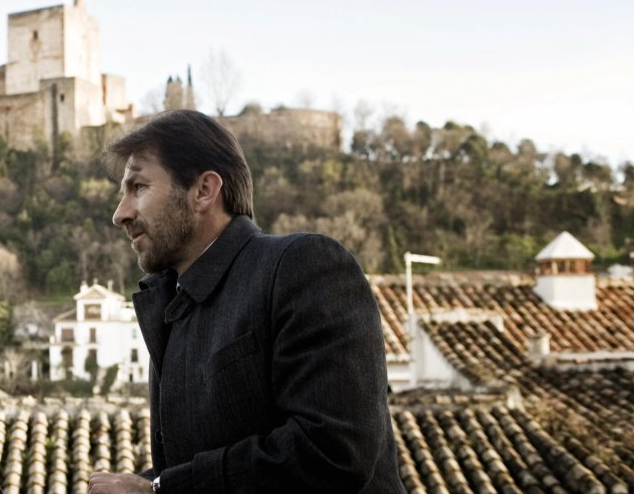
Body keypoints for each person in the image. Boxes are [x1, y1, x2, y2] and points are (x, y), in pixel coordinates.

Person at [88, 110, 403, 493]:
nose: (120, 214)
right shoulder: (174, 312)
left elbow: (332, 450)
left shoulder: (304, 266)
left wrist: (158, 490)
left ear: (204, 190)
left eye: (138, 187)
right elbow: (197, 467)